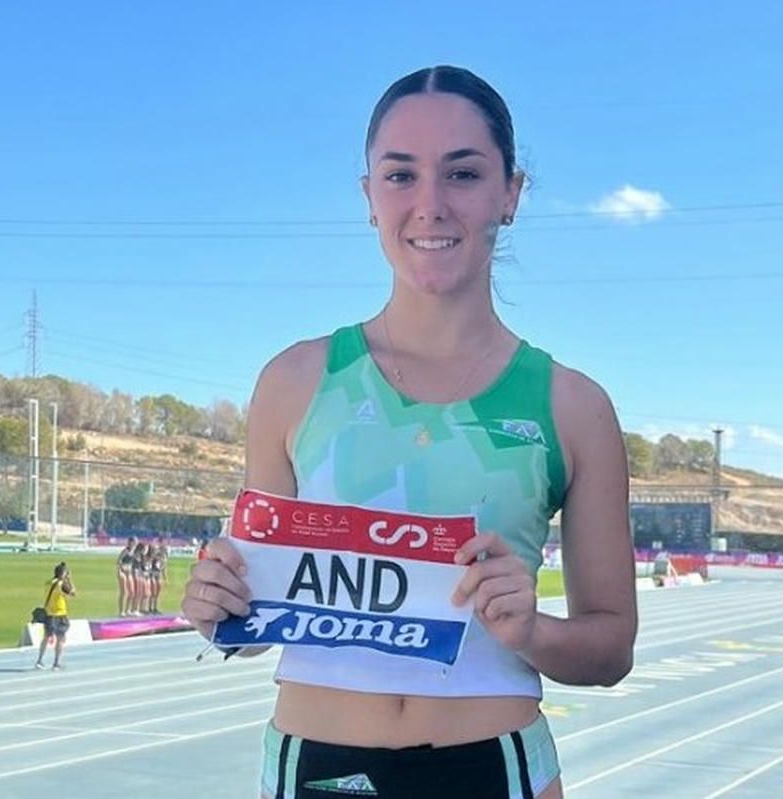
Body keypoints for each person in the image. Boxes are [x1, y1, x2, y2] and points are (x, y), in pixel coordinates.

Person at [181, 65, 637, 799]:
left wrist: (533, 632)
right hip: (316, 767)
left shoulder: (573, 406)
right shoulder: (293, 382)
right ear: (369, 197)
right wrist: (221, 604)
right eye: (400, 176)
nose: (430, 205)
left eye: (462, 172)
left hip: (493, 767)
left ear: (510, 193)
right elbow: (262, 610)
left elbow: (612, 646)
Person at [35, 562, 76, 671]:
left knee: (46, 637)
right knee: (61, 639)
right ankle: (56, 663)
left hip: (49, 613)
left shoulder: (49, 583)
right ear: (63, 573)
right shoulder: (61, 584)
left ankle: (39, 660)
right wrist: (69, 579)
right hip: (59, 614)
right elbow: (73, 593)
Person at [117, 536, 137, 617]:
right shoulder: (126, 551)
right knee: (123, 592)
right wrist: (119, 571)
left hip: (129, 572)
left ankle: (127, 610)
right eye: (134, 541)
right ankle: (121, 611)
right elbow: (118, 561)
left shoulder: (133, 551)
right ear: (131, 542)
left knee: (132, 592)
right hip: (123, 572)